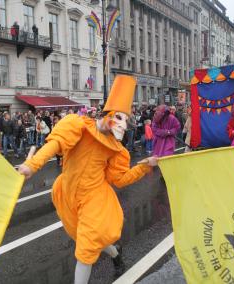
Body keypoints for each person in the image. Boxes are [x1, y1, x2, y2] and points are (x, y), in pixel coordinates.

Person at [17, 75, 158, 283]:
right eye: (119, 117)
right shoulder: (77, 125)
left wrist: (145, 166)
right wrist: (32, 165)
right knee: (88, 240)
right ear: (108, 114)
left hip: (94, 197)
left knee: (86, 246)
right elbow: (55, 144)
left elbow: (119, 179)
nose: (122, 124)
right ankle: (116, 255)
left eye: (126, 120)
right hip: (67, 192)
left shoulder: (115, 149)